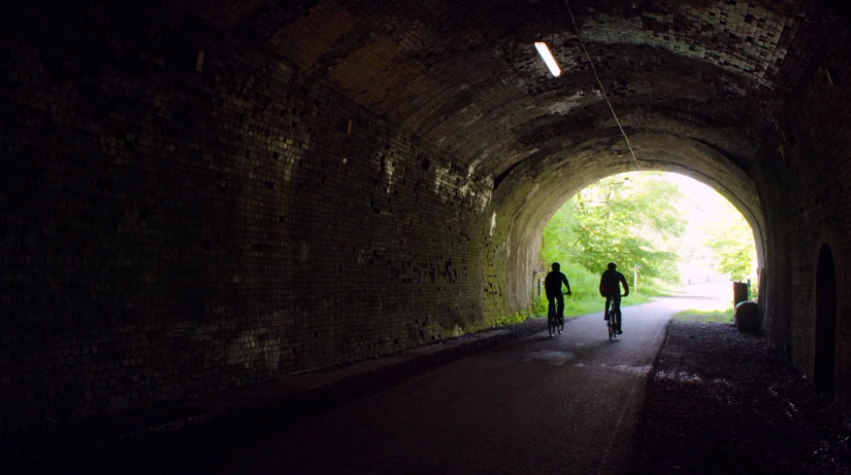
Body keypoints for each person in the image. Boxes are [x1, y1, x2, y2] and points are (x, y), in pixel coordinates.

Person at [599, 262, 629, 334]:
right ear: (615, 267)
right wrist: (626, 292)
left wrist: (602, 292)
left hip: (607, 292)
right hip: (616, 293)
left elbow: (601, 284)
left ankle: (606, 313)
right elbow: (624, 283)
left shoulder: (605, 274)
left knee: (608, 300)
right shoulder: (618, 274)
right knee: (617, 309)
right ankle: (618, 326)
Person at [544, 263, 572, 329]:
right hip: (558, 292)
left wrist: (547, 291)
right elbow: (566, 282)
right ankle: (559, 317)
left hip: (549, 292)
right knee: (561, 304)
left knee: (551, 303)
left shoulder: (549, 275)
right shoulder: (560, 274)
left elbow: (546, 283)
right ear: (559, 268)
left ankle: (550, 315)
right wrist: (569, 290)